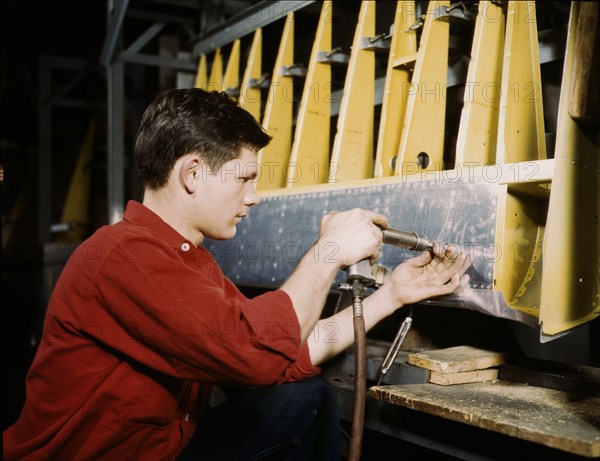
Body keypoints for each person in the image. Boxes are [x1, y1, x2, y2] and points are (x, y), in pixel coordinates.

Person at [3, 88, 471, 460]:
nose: (253, 196)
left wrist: (391, 294)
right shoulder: (122, 256)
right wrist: (327, 252)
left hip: (165, 450)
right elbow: (253, 354)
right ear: (192, 173)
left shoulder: (189, 261)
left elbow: (280, 348)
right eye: (244, 178)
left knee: (304, 398)